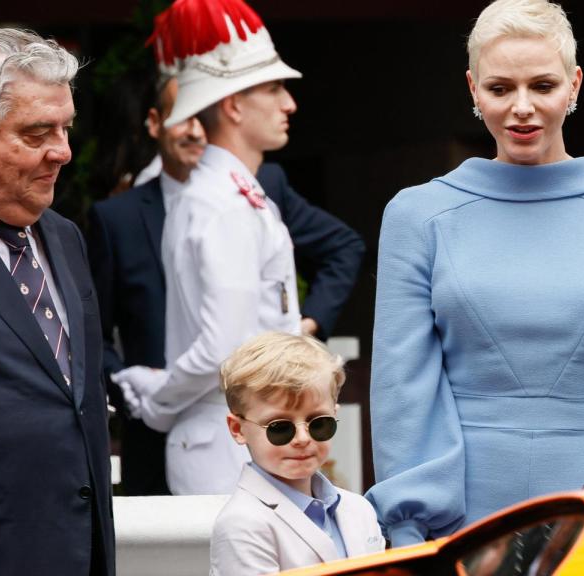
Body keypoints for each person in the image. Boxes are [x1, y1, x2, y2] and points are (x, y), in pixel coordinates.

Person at [368, 0, 584, 547]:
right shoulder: (417, 216)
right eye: (500, 88)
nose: (522, 108)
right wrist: (409, 527)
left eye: (542, 86)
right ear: (473, 90)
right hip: (458, 516)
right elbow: (402, 387)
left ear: (574, 84)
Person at [88, 72, 365, 495]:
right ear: (155, 123)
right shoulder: (127, 215)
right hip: (176, 430)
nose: (196, 130)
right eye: (185, 116)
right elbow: (98, 327)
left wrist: (302, 330)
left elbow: (340, 248)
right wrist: (135, 387)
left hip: (241, 425)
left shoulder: (252, 189)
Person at [115, 0, 306, 495]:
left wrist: (160, 396)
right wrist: (159, 403)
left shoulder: (232, 193)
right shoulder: (220, 201)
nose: (288, 103)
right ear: (233, 106)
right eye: (273, 88)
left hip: (242, 433)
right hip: (228, 441)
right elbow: (224, 349)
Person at [0, 29, 114, 574]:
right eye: (37, 133)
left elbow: (77, 398)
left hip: (81, 548)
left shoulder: (65, 238)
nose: (63, 152)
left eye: (65, 128)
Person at [211, 332, 384, 575]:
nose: (303, 438)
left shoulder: (359, 509)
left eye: (319, 423)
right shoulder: (242, 524)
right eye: (280, 427)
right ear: (238, 429)